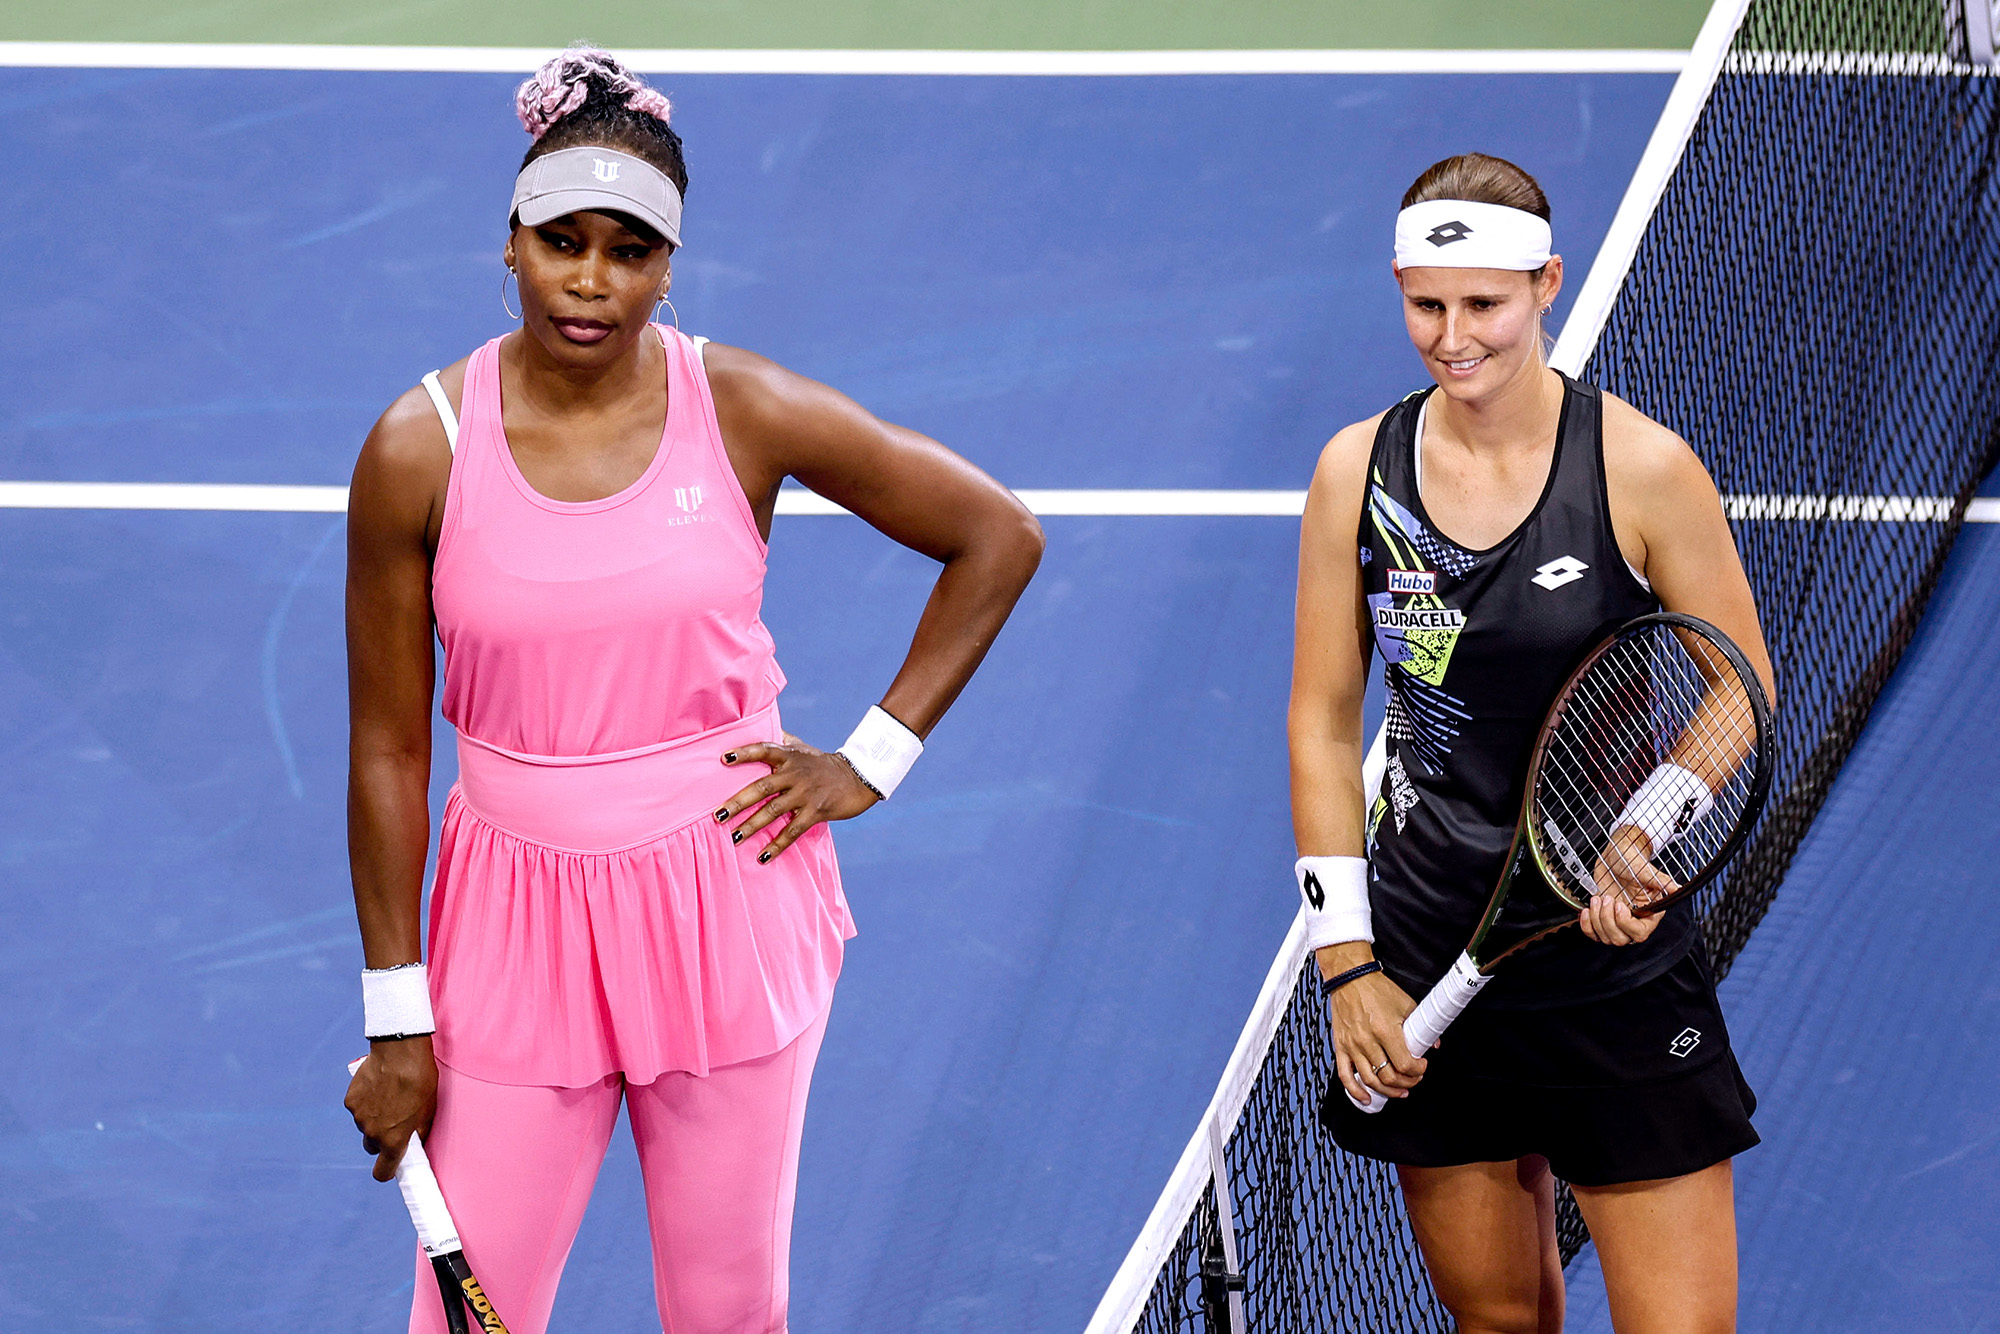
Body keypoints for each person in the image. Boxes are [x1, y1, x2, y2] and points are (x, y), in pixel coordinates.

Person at [341, 47, 1043, 1334]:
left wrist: (872, 755)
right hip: (507, 925)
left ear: (670, 263)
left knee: (727, 1311)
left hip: (721, 900)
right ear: (509, 244)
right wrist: (397, 1014)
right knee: (464, 1315)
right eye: (563, 241)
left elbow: (994, 533)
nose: (591, 281)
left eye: (628, 249)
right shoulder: (415, 448)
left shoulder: (742, 405)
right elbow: (387, 748)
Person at [1288, 153, 1774, 1334]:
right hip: (1421, 937)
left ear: (1544, 284)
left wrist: (1641, 827)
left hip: (1607, 955)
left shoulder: (1641, 468)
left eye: (1482, 304)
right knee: (1498, 1318)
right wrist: (1345, 963)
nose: (1451, 338)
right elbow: (1319, 714)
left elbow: (1739, 682)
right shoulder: (1355, 469)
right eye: (1424, 304)